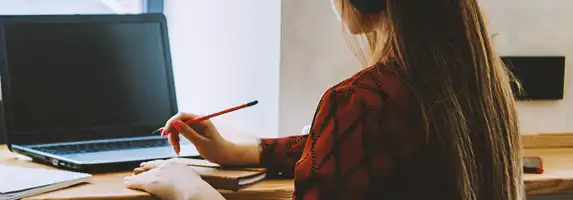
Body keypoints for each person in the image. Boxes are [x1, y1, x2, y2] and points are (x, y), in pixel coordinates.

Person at [123, 0, 524, 199]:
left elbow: (355, 143)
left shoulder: (361, 101)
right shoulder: (480, 91)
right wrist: (244, 151)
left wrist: (188, 189)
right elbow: (363, 151)